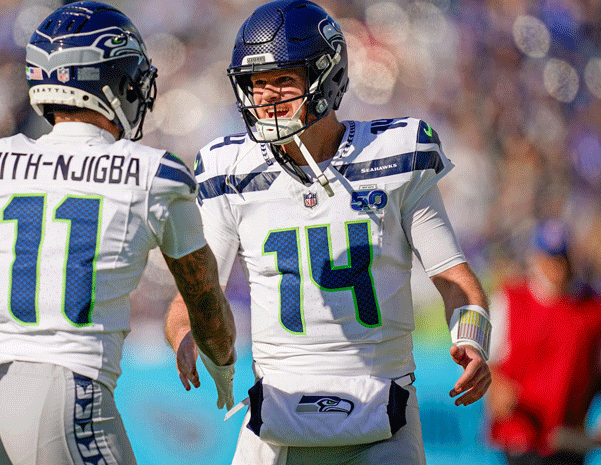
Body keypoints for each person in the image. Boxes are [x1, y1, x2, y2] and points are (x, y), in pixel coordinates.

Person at [0, 2, 236, 465]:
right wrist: (222, 361)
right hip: (69, 391)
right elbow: (205, 302)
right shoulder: (153, 174)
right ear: (110, 81)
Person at [163, 0, 492, 463]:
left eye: (282, 79)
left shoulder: (395, 154)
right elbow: (193, 294)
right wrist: (184, 334)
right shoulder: (227, 168)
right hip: (277, 411)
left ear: (326, 77)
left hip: (384, 412)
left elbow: (456, 280)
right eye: (256, 83)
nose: (266, 96)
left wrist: (472, 339)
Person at [486, 219, 601, 465]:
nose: (556, 268)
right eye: (549, 259)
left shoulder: (595, 311)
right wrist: (495, 389)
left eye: (561, 260)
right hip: (519, 437)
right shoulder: (510, 298)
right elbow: (484, 361)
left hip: (567, 442)